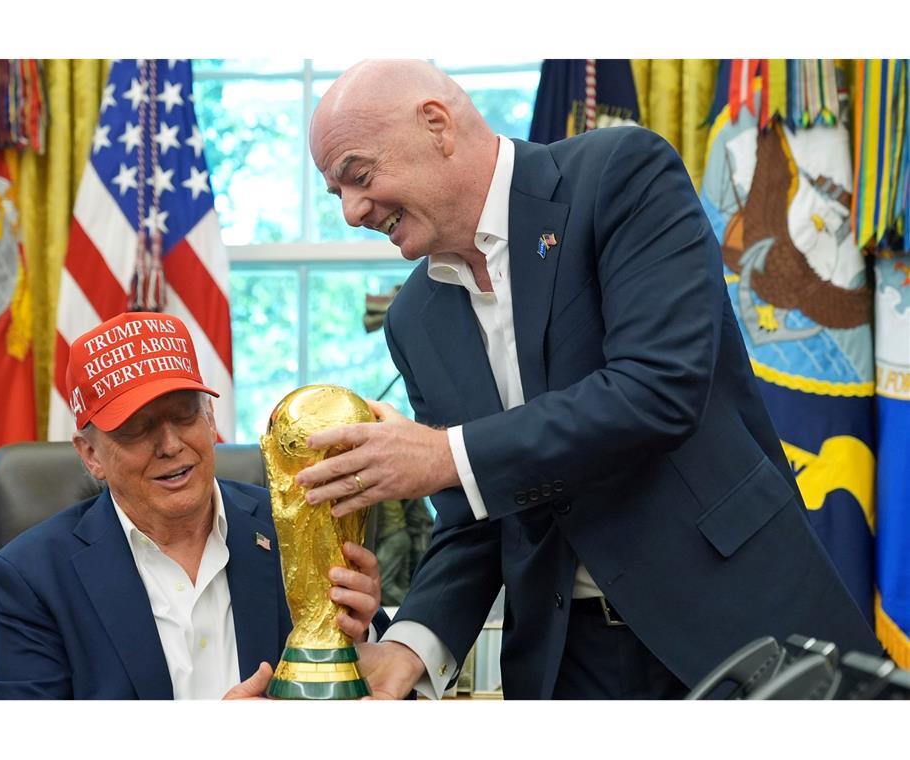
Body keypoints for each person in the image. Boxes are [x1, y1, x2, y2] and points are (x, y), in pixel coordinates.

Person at [297, 59, 883, 699]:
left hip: (739, 623)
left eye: (359, 176)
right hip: (565, 666)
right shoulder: (415, 318)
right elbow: (475, 509)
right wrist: (408, 647)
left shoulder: (621, 173)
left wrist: (444, 454)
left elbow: (658, 388)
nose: (353, 211)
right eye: (337, 195)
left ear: (436, 126)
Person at [0, 311, 385, 699]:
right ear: (90, 454)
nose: (171, 446)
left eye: (185, 416)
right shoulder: (32, 576)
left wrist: (360, 637)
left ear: (210, 419)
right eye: (138, 430)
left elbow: (387, 702)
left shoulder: (296, 523)